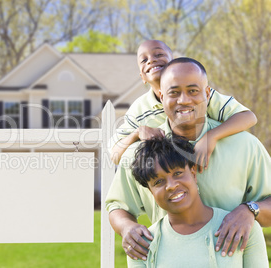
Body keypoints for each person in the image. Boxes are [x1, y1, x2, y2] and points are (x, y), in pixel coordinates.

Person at [106, 57, 271, 262]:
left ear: (207, 93)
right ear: (161, 95)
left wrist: (250, 210)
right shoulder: (139, 154)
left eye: (193, 91)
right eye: (174, 92)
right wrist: (126, 227)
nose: (184, 100)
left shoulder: (245, 146)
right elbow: (117, 205)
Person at [110, 40, 257, 172]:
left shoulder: (200, 95)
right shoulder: (139, 109)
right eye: (144, 60)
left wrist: (211, 136)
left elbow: (248, 117)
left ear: (174, 63)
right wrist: (137, 133)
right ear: (142, 77)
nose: (151, 60)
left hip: (213, 167)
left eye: (158, 54)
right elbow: (114, 155)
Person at [127, 135, 268, 267]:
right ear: (151, 191)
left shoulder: (243, 228)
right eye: (158, 181)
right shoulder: (141, 244)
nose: (171, 186)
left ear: (193, 173)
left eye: (177, 173)